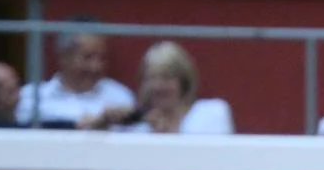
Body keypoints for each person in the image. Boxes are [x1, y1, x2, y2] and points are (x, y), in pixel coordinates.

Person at [85, 41, 235, 134]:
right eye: (152, 78)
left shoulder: (210, 112)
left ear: (183, 81)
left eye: (167, 77)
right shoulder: (136, 124)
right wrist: (103, 121)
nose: (158, 86)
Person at [16, 28, 135, 127]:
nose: (96, 67)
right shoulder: (31, 97)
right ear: (64, 58)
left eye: (102, 58)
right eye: (87, 57)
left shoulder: (120, 96)